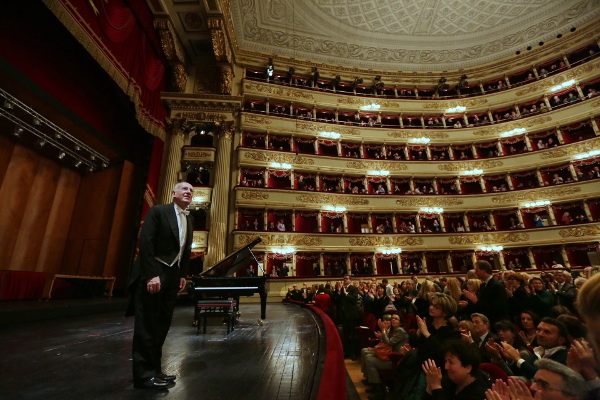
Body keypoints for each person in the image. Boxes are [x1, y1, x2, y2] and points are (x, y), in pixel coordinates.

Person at [127, 182, 194, 389]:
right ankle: (144, 376)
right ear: (173, 193)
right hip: (155, 273)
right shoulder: (158, 211)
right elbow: (146, 243)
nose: (188, 192)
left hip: (173, 276)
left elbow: (185, 249)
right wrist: (151, 275)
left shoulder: (189, 218)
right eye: (184, 189)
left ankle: (155, 370)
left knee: (161, 325)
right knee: (147, 326)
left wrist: (182, 274)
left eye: (191, 191)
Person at [361, 313, 408, 398]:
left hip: (395, 359)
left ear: (400, 322)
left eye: (396, 319)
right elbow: (386, 341)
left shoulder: (400, 331)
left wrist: (383, 330)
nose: (393, 320)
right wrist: (381, 336)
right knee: (366, 353)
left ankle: (379, 391)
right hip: (389, 354)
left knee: (369, 360)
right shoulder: (392, 329)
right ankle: (372, 382)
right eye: (392, 318)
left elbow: (389, 342)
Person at [422, 340, 489, 400]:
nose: (446, 367)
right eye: (446, 362)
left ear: (467, 368)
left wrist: (436, 386)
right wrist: (429, 387)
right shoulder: (449, 381)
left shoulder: (480, 393)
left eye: (451, 362)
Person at [462, 260, 509, 325]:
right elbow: (481, 305)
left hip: (495, 321)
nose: (475, 272)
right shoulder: (483, 285)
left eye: (477, 270)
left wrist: (475, 300)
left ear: (483, 270)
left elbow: (497, 307)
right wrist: (468, 305)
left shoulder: (496, 285)